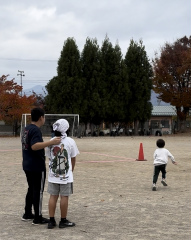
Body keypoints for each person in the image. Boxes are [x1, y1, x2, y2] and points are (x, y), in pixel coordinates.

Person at [21, 107, 61, 225]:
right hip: (36, 165)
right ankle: (37, 217)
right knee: (38, 191)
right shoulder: (36, 130)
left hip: (27, 164)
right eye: (44, 117)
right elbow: (34, 146)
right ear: (41, 118)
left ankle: (27, 213)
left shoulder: (26, 128)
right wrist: (51, 142)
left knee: (31, 188)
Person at [45, 119, 79, 229]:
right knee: (64, 196)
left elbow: (50, 158)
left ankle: (51, 220)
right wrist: (71, 170)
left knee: (52, 196)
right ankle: (63, 220)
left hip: (53, 175)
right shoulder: (70, 141)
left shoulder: (51, 141)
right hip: (65, 175)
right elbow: (73, 158)